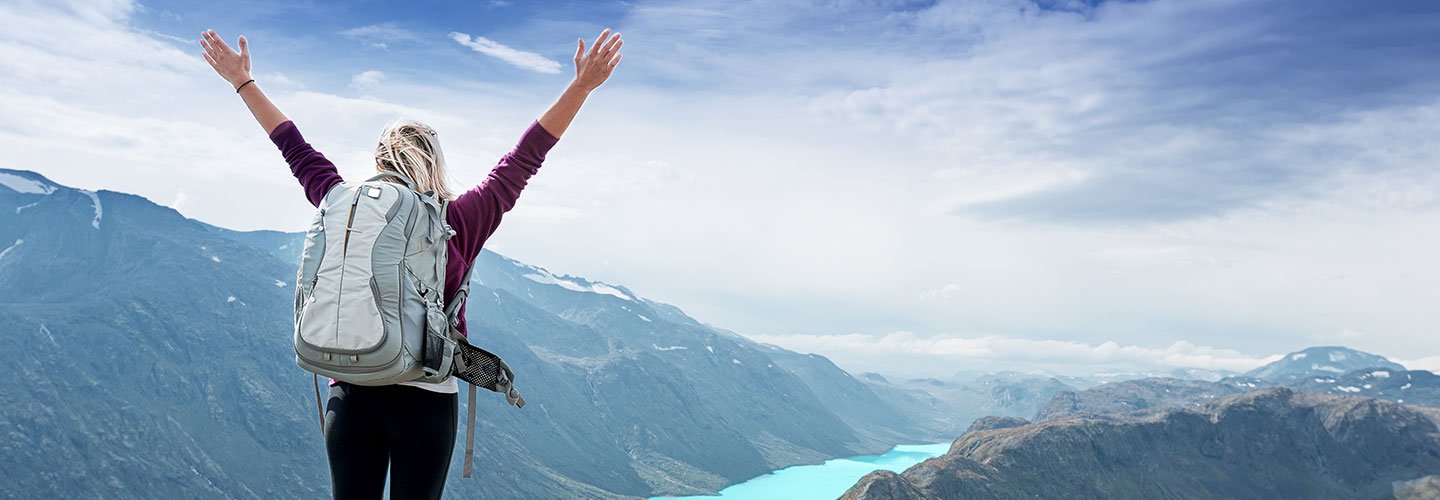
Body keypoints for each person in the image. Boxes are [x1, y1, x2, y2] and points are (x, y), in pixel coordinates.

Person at [199, 27, 622, 499]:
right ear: (434, 165)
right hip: (425, 397)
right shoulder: (459, 219)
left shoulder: (341, 203)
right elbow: (522, 161)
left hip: (350, 388)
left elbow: (292, 146)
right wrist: (581, 86)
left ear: (379, 161)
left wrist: (242, 82)